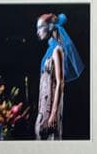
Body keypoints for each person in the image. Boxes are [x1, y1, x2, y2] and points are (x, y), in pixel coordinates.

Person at [34, 11, 85, 140]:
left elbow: (60, 83)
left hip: (51, 106)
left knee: (50, 138)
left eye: (40, 28)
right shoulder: (49, 50)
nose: (38, 32)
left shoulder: (57, 50)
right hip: (43, 103)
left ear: (49, 28)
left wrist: (53, 114)